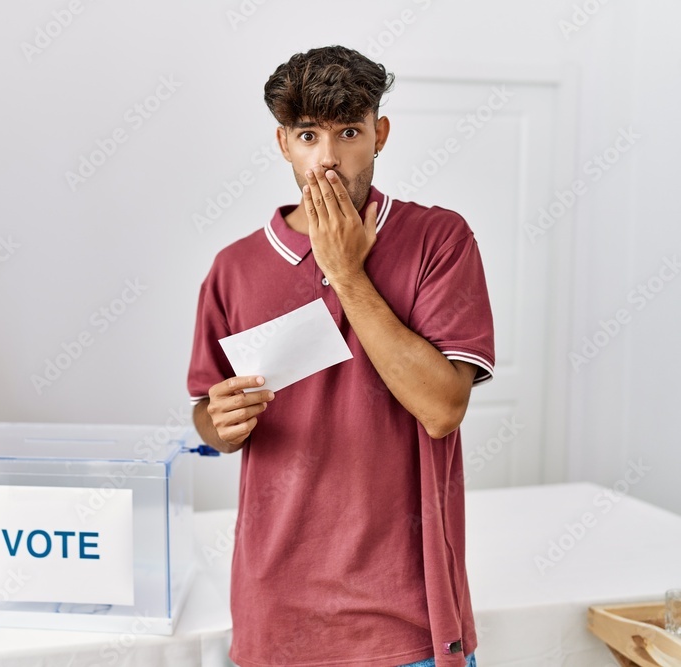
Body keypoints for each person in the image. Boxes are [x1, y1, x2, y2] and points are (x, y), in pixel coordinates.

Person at [187, 46, 494, 667]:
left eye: (348, 132)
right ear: (284, 144)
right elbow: (206, 412)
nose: (327, 158)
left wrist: (346, 272)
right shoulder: (234, 269)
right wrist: (217, 423)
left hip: (406, 623)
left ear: (379, 134)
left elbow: (441, 409)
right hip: (274, 618)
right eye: (308, 136)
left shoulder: (439, 240)